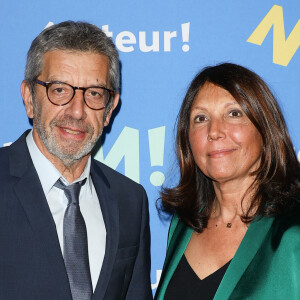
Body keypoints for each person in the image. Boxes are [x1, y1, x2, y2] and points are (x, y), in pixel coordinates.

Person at [0, 21, 152, 300]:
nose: (78, 110)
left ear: (109, 109)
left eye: (94, 93)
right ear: (29, 98)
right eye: (59, 89)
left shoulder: (131, 200)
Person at [155, 63, 300, 299]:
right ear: (187, 140)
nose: (215, 131)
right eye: (201, 118)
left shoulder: (293, 229)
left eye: (234, 114)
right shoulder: (183, 224)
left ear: (265, 129)